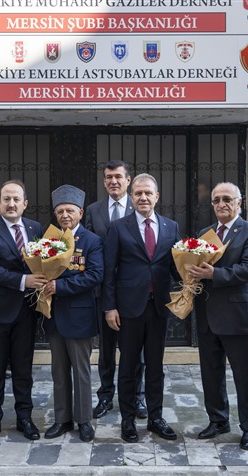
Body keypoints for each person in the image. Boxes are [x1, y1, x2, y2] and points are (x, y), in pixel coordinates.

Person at [102, 173, 180, 443]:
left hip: (158, 307)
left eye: (148, 193)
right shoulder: (118, 227)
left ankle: (156, 417)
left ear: (157, 197)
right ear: (131, 197)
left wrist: (191, 283)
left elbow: (174, 267)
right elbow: (109, 271)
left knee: (156, 365)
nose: (143, 197)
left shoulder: (171, 227)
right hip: (127, 309)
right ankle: (127, 419)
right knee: (129, 366)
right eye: (138, 193)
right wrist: (109, 307)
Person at [187, 182, 248, 451]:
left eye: (227, 199)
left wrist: (213, 274)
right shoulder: (204, 233)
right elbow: (195, 266)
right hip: (208, 316)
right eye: (216, 200)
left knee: (245, 375)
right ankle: (218, 420)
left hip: (238, 315)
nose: (221, 204)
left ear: (239, 202)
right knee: (211, 373)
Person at [0, 180, 46, 445]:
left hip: (26, 312)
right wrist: (24, 281)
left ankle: (24, 418)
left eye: (16, 199)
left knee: (23, 369)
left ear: (25, 203)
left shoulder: (35, 228)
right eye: (6, 199)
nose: (11, 203)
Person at [84, 160, 146, 420]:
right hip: (103, 291)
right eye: (108, 177)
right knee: (106, 350)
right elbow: (85, 246)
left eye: (118, 177)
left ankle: (137, 397)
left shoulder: (141, 206)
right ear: (103, 181)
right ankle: (106, 396)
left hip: (135, 292)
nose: (113, 181)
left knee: (137, 350)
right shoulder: (94, 210)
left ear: (128, 180)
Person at [41, 185, 103, 442]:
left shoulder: (91, 240)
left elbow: (95, 275)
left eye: (69, 210)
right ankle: (62, 419)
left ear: (79, 212)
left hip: (79, 315)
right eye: (60, 211)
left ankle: (84, 420)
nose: (65, 215)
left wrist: (60, 286)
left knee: (81, 371)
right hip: (54, 316)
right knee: (58, 370)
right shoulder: (50, 240)